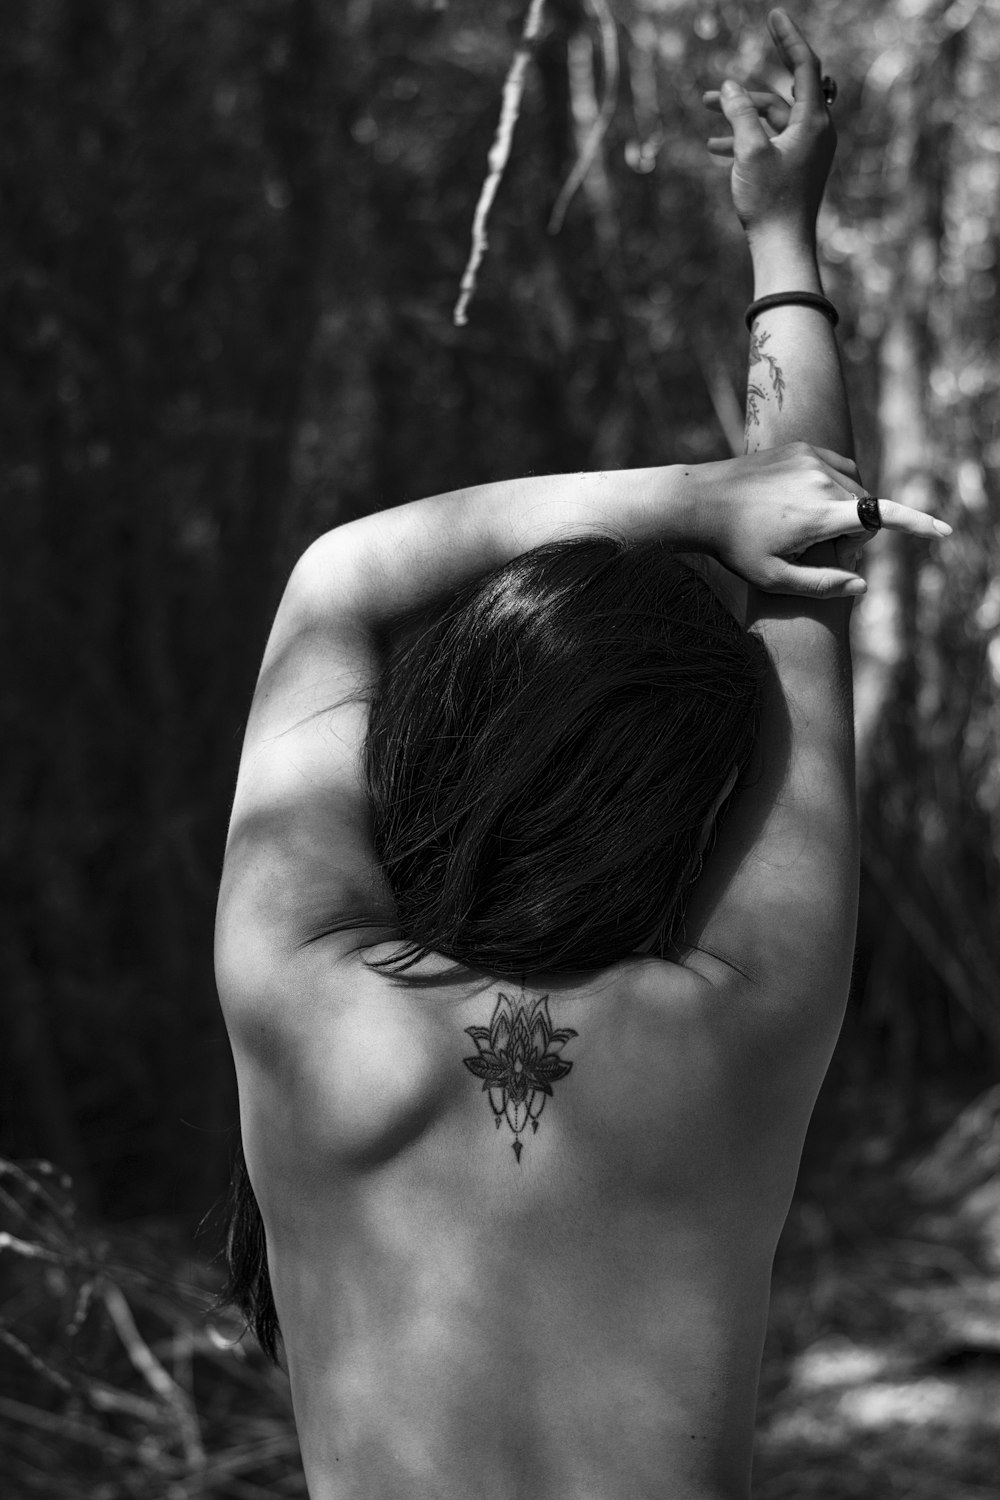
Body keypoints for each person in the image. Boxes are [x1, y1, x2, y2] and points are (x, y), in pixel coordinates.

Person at [214, 12, 950, 1499]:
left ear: (445, 737)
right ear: (695, 811)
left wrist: (690, 499)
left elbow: (335, 582)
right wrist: (781, 244)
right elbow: (813, 579)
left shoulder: (300, 1005)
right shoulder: (736, 1035)